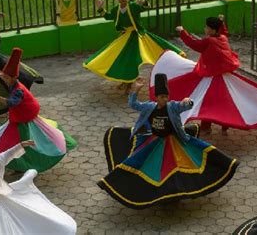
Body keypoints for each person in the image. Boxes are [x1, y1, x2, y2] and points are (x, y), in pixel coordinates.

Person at [97, 74, 239, 209]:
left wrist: (188, 100)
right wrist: (136, 89)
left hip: (173, 141)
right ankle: (158, 196)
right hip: (153, 141)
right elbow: (133, 104)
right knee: (144, 163)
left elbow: (187, 105)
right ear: (157, 97)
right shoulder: (149, 107)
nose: (165, 99)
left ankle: (174, 197)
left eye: (166, 96)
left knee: (174, 168)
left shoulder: (172, 106)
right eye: (162, 97)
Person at [149, 15, 257, 135]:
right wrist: (222, 22)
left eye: (207, 27)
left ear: (212, 30)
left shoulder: (209, 41)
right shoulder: (223, 38)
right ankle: (224, 126)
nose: (205, 29)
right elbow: (224, 31)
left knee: (207, 101)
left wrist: (182, 32)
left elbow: (194, 44)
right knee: (224, 101)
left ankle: (206, 128)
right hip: (223, 74)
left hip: (211, 75)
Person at [0, 47, 77, 172]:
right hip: (19, 118)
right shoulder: (13, 82)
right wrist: (1, 74)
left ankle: (25, 166)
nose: (4, 79)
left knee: (24, 145)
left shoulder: (18, 91)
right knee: (11, 142)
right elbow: (9, 79)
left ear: (12, 78)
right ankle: (17, 164)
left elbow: (11, 102)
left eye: (5, 77)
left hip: (25, 121)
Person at [83, 0, 185, 93]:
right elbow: (108, 16)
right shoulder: (116, 9)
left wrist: (144, 2)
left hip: (138, 37)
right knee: (122, 59)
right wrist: (100, 8)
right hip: (125, 37)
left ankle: (130, 81)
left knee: (134, 59)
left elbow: (145, 7)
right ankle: (127, 80)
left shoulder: (133, 6)